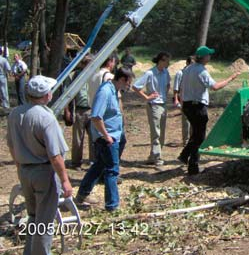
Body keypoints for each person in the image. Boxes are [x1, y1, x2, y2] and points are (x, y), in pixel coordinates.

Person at [7, 75, 73, 255]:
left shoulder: (15, 113)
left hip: (25, 171)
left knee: (34, 217)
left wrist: (20, 166)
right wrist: (65, 180)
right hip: (44, 172)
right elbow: (55, 155)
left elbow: (11, 145)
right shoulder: (46, 117)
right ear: (47, 95)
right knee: (45, 221)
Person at [76, 67, 134, 211]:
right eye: (128, 83)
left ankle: (82, 194)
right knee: (112, 171)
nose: (129, 86)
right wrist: (106, 136)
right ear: (122, 80)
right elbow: (96, 117)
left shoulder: (114, 90)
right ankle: (112, 206)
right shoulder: (105, 92)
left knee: (98, 167)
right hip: (107, 139)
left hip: (114, 135)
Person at [178, 45, 240, 175]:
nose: (210, 56)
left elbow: (182, 88)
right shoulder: (202, 71)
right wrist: (231, 78)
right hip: (198, 107)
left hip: (188, 106)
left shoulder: (188, 69)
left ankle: (188, 161)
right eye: (209, 55)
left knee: (196, 135)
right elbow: (215, 87)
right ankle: (189, 161)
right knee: (199, 137)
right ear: (204, 57)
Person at [132, 52, 171, 166]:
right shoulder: (150, 73)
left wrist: (164, 93)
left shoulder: (165, 72)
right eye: (167, 61)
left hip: (163, 104)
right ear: (161, 61)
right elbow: (136, 86)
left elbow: (168, 84)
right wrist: (147, 97)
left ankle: (153, 156)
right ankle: (157, 157)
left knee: (161, 132)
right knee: (156, 132)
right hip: (154, 105)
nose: (168, 63)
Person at [67, 55, 94, 169]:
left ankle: (94, 161)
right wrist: (68, 111)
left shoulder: (95, 75)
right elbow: (69, 94)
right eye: (86, 62)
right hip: (79, 110)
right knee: (78, 139)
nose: (88, 65)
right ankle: (76, 162)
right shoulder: (76, 75)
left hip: (93, 110)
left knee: (94, 138)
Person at [173, 56, 193, 146]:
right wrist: (176, 99)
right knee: (185, 120)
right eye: (192, 64)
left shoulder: (193, 74)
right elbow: (176, 88)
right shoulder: (180, 73)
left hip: (193, 99)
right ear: (187, 63)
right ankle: (186, 140)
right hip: (184, 99)